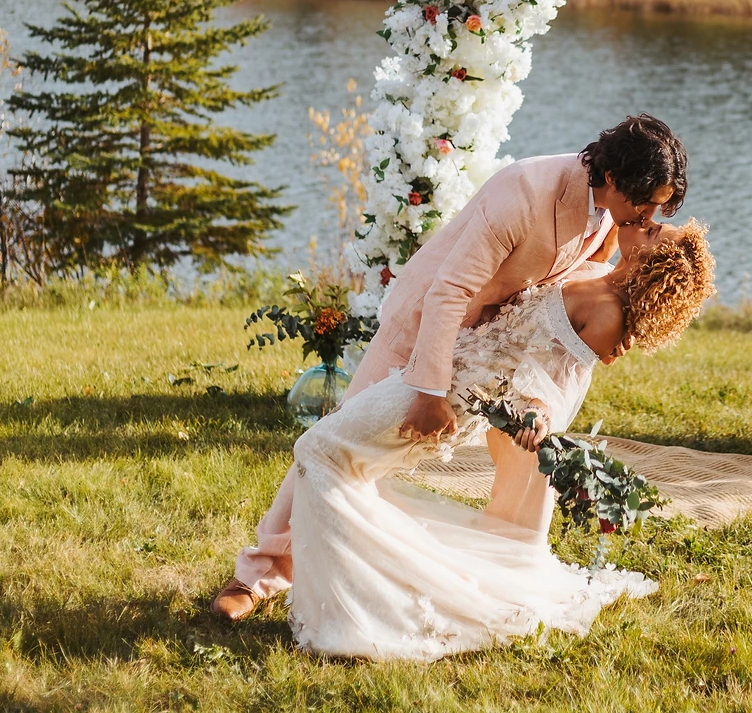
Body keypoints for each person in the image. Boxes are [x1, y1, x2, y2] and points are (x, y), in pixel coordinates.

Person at [212, 115, 689, 620]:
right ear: (613, 178)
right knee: (338, 436)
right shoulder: (526, 191)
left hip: (490, 347)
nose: (649, 214)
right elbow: (450, 290)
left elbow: (588, 273)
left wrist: (616, 325)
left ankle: (459, 559)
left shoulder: (612, 214)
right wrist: (429, 391)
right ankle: (258, 574)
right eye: (646, 201)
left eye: (660, 206)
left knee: (384, 458)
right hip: (427, 323)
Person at [287, 219, 714, 659]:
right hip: (434, 373)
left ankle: (350, 614)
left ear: (651, 261)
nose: (645, 222)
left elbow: (559, 381)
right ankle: (358, 591)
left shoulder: (608, 315)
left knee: (320, 451)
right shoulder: (596, 271)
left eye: (653, 231)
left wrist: (537, 413)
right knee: (336, 461)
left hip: (451, 402)